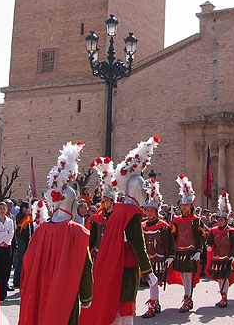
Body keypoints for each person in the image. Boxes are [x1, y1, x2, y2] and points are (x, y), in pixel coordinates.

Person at [81, 136, 159, 325]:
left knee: (115, 305)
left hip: (114, 264)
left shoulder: (118, 211)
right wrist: (149, 271)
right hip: (128, 265)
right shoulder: (131, 213)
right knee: (126, 306)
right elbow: (137, 244)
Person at [19, 141, 93, 325]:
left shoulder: (42, 229)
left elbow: (28, 262)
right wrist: (86, 296)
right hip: (65, 293)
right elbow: (85, 265)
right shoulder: (76, 231)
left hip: (42, 291)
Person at [170, 174, 205, 312]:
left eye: (186, 205)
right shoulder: (177, 220)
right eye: (182, 204)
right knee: (183, 274)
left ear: (191, 206)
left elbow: (201, 236)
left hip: (191, 250)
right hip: (180, 250)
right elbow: (172, 236)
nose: (183, 207)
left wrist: (198, 251)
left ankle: (188, 298)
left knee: (188, 274)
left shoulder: (196, 220)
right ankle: (187, 297)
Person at [141, 178, 174, 318]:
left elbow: (169, 243)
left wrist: (171, 257)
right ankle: (156, 303)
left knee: (154, 282)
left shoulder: (163, 226)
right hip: (147, 259)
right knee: (150, 281)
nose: (148, 213)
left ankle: (152, 305)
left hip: (159, 258)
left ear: (156, 211)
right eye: (147, 210)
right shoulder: (142, 226)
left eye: (151, 211)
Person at [205, 192, 234, 308]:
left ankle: (224, 297)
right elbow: (209, 241)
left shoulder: (231, 231)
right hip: (216, 258)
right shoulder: (213, 231)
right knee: (219, 278)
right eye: (218, 220)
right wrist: (208, 245)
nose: (219, 222)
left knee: (225, 278)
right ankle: (222, 296)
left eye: (221, 220)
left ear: (225, 220)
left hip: (227, 258)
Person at [88, 156, 116, 260]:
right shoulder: (97, 218)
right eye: (103, 200)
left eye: (107, 200)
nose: (104, 203)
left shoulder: (117, 217)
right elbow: (93, 238)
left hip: (110, 255)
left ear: (112, 201)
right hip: (97, 254)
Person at [0, 201, 14, 300]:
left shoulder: (10, 221)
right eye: (0, 209)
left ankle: (3, 293)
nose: (2, 211)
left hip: (6, 247)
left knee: (5, 270)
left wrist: (1, 235)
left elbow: (11, 235)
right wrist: (5, 233)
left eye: (4, 209)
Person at [13, 201, 33, 289]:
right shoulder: (20, 216)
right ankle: (17, 280)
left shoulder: (31, 217)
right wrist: (26, 218)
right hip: (21, 239)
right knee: (20, 259)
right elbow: (22, 227)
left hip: (28, 239)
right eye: (25, 208)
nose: (26, 210)